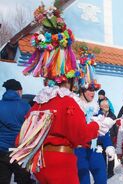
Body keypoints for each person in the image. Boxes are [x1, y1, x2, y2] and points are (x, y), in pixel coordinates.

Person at [9, 4, 113, 184]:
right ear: (70, 78)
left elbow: (21, 137)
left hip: (40, 164)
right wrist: (98, 126)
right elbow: (79, 135)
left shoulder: (39, 103)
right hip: (61, 165)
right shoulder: (67, 102)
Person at [75, 45, 116, 184]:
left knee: (101, 180)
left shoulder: (96, 107)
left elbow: (102, 129)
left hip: (95, 151)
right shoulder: (75, 107)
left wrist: (109, 145)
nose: (93, 93)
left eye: (94, 89)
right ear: (81, 89)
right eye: (89, 89)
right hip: (79, 152)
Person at [0, 79, 34, 184]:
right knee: (23, 180)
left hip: (1, 150)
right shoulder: (25, 106)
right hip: (19, 151)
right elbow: (30, 129)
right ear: (19, 91)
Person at [99, 99, 117, 179]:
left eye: (108, 105)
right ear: (101, 106)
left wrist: (115, 136)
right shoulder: (97, 115)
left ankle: (110, 172)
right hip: (100, 138)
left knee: (111, 155)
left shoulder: (112, 115)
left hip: (111, 137)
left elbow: (115, 127)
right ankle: (103, 171)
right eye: (105, 105)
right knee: (102, 156)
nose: (107, 107)